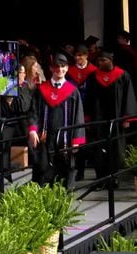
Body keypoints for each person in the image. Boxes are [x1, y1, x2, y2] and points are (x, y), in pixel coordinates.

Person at [28, 53, 86, 188]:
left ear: (67, 68)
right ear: (50, 68)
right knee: (43, 174)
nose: (59, 69)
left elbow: (78, 117)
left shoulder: (72, 91)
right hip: (45, 140)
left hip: (65, 142)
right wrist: (32, 130)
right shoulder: (41, 90)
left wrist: (76, 141)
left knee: (64, 176)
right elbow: (33, 112)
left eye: (63, 66)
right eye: (56, 66)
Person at [85, 50, 137, 189]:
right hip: (98, 119)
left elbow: (129, 97)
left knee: (115, 150)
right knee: (99, 149)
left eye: (103, 60)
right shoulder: (93, 76)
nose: (100, 63)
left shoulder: (122, 75)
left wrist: (127, 118)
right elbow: (88, 98)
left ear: (111, 60)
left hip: (117, 120)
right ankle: (100, 179)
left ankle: (113, 179)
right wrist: (88, 117)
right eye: (99, 61)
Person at [66, 44, 97, 181]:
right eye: (76, 55)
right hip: (74, 112)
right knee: (77, 142)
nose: (77, 58)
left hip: (89, 112)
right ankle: (79, 171)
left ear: (86, 56)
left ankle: (96, 170)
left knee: (91, 143)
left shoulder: (94, 71)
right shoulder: (69, 71)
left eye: (80, 55)